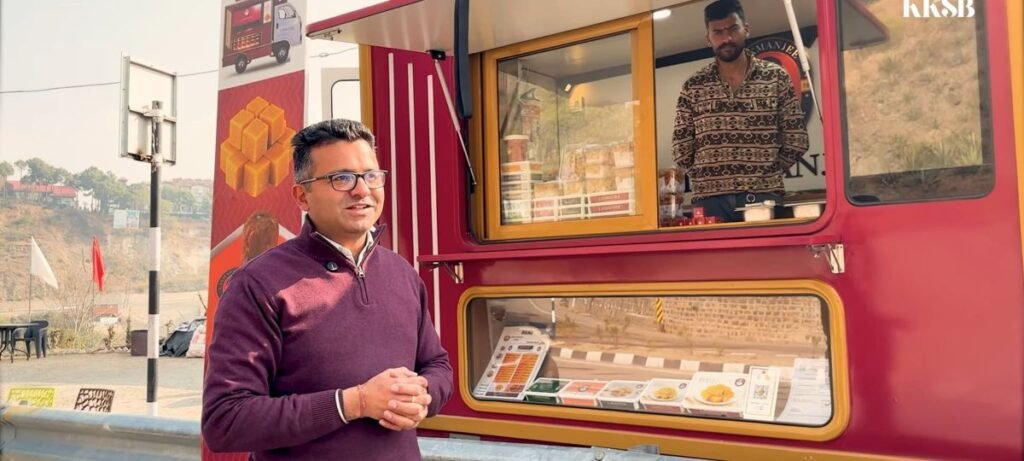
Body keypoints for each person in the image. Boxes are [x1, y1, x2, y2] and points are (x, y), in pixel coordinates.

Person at [202, 119, 453, 460]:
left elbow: (437, 364)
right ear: (302, 195)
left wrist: (424, 394)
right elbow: (225, 420)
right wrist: (355, 402)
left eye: (371, 176)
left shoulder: (401, 273)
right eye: (342, 178)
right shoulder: (260, 284)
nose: (362, 190)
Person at [672, 0, 809, 222]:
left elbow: (797, 139)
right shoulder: (693, 86)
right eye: (717, 32)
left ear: (746, 28)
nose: (726, 38)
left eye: (732, 28)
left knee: (765, 257)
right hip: (709, 203)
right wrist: (709, 179)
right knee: (714, 258)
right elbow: (681, 149)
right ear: (708, 38)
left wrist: (765, 173)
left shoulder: (775, 76)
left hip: (763, 197)